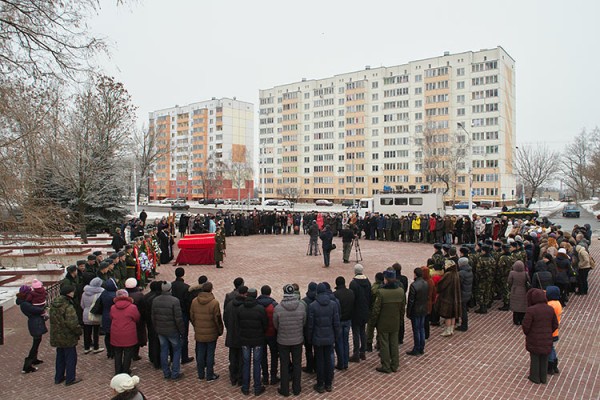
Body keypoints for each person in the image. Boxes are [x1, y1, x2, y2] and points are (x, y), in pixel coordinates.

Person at [273, 284, 306, 397]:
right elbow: (303, 322)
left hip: (283, 340)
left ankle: (285, 389)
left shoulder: (278, 308)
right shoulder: (301, 306)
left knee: (284, 364)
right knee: (297, 364)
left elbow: (275, 325)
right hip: (297, 339)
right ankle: (297, 388)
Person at [308, 282, 341, 393]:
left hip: (318, 338)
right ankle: (329, 383)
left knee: (320, 361)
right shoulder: (333, 304)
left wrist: (309, 338)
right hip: (330, 337)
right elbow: (336, 323)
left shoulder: (312, 306)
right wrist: (337, 336)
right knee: (328, 360)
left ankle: (320, 384)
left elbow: (310, 325)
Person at [371, 270, 405, 373]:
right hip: (395, 321)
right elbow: (402, 308)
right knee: (394, 343)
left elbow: (376, 310)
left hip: (383, 322)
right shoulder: (400, 291)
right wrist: (400, 320)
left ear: (386, 279)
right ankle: (394, 364)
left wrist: (373, 322)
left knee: (384, 344)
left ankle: (386, 365)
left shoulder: (381, 292)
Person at [522, 288, 558, 384]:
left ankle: (534, 377)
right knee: (544, 358)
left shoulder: (531, 310)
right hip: (547, 338)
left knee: (535, 357)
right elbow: (555, 324)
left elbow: (526, 325)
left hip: (534, 338)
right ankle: (543, 377)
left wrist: (529, 333)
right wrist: (548, 332)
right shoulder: (550, 309)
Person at [189, 282, 224, 381]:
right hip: (211, 332)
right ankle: (209, 374)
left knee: (200, 353)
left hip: (199, 331)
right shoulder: (214, 303)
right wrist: (219, 330)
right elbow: (217, 319)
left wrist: (196, 326)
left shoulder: (194, 301)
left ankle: (200, 374)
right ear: (211, 289)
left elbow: (192, 316)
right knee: (210, 353)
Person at [49, 284, 83, 386]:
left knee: (60, 357)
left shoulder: (54, 305)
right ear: (69, 293)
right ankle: (70, 378)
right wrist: (78, 331)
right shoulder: (68, 306)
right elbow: (72, 323)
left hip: (57, 336)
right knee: (71, 358)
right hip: (67, 336)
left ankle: (58, 377)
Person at [152, 281, 185, 380]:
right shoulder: (175, 301)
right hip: (172, 330)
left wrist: (156, 328)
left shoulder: (155, 300)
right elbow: (178, 318)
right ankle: (175, 372)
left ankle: (166, 372)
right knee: (176, 350)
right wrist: (182, 330)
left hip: (161, 330)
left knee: (164, 350)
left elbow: (153, 316)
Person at [237, 288, 268, 396]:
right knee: (256, 363)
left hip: (245, 339)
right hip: (258, 339)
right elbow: (265, 324)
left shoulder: (240, 308)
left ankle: (245, 387)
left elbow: (238, 324)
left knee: (246, 363)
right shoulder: (260, 309)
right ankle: (257, 387)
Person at [16, 285, 47, 373]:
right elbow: (37, 309)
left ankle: (34, 359)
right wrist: (42, 308)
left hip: (35, 322)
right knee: (35, 343)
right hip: (35, 323)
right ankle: (27, 365)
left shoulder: (25, 301)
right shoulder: (25, 304)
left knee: (37, 341)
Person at [110, 289, 141, 375]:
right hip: (128, 334)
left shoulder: (113, 307)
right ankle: (125, 370)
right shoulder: (132, 307)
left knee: (117, 353)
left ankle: (118, 371)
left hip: (116, 333)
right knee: (128, 353)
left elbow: (111, 317)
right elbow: (137, 317)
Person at [224, 285, 248, 386]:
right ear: (245, 294)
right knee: (242, 359)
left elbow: (225, 319)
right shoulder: (245, 306)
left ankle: (233, 377)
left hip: (231, 335)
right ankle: (240, 378)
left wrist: (229, 329)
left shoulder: (229, 305)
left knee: (232, 357)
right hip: (242, 336)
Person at [257, 285, 279, 385]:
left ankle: (265, 377)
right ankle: (273, 376)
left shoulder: (257, 305)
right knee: (274, 355)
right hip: (272, 334)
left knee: (263, 356)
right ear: (270, 293)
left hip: (261, 334)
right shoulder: (274, 305)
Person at [171, 267, 194, 364]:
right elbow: (188, 302)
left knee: (173, 335)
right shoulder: (186, 287)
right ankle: (184, 357)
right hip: (183, 313)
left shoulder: (171, 286)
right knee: (184, 336)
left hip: (172, 313)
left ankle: (173, 356)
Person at [349, 264, 371, 363]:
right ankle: (363, 352)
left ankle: (356, 353)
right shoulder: (368, 282)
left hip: (356, 311)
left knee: (356, 333)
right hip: (365, 310)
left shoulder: (353, 283)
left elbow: (352, 299)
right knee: (363, 331)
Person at [406, 268, 429, 355]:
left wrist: (408, 312)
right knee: (421, 328)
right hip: (423, 309)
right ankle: (421, 347)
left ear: (415, 274)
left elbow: (411, 301)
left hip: (416, 310)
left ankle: (416, 348)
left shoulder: (414, 285)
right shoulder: (425, 283)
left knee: (416, 330)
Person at [333, 276, 354, 370]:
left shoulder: (336, 294)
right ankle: (345, 362)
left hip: (340, 321)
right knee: (346, 341)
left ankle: (341, 363)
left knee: (339, 342)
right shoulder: (350, 292)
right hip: (348, 319)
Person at [436, 260, 461, 337]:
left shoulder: (448, 274)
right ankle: (451, 329)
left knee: (448, 315)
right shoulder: (456, 273)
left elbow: (441, 285)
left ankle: (447, 330)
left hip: (448, 297)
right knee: (453, 315)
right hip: (455, 297)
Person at [80, 277, 105, 354]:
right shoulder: (100, 294)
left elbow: (82, 304)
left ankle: (86, 347)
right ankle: (96, 347)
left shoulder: (84, 293)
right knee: (96, 331)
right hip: (95, 314)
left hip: (86, 313)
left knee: (86, 332)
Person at [98, 278, 118, 359]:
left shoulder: (103, 293)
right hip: (113, 316)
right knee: (114, 335)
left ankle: (109, 352)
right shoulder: (114, 295)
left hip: (105, 315)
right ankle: (113, 351)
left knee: (107, 335)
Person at [545, 286, 562, 375]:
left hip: (550, 331)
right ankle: (554, 363)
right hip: (555, 332)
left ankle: (551, 365)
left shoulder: (551, 305)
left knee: (549, 348)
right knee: (551, 347)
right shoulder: (558, 303)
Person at [508, 261, 530, 325]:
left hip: (514, 290)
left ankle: (516, 320)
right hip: (523, 290)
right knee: (522, 306)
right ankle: (521, 320)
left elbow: (509, 281)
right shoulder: (525, 273)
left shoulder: (512, 273)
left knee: (515, 307)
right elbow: (529, 281)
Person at [456, 258, 473, 331]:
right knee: (464, 309)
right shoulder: (469, 271)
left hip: (462, 293)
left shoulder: (461, 273)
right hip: (467, 292)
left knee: (463, 310)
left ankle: (464, 325)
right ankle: (464, 324)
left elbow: (458, 283)